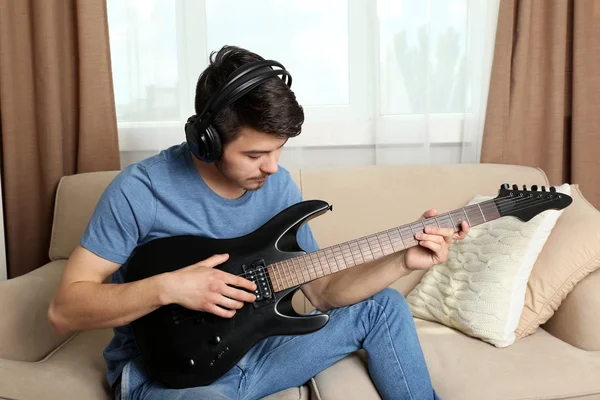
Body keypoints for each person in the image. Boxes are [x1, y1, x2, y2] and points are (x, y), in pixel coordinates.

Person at [48, 45, 469, 400]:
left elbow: (322, 294)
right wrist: (170, 287)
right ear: (207, 139)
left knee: (384, 307)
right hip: (173, 375)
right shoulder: (141, 190)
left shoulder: (278, 186)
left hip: (261, 352)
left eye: (279, 150)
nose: (271, 167)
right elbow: (64, 309)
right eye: (254, 155)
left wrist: (402, 261)